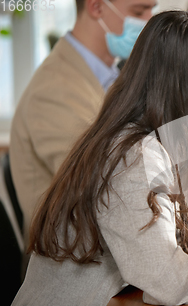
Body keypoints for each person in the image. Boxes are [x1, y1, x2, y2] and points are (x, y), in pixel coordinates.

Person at [1, 11, 188, 306]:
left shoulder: (157, 140)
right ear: (181, 89)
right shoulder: (133, 157)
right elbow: (167, 282)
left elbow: (152, 229)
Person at [10, 0, 156, 245]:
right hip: (76, 265)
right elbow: (98, 193)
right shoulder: (55, 89)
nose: (149, 21)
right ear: (97, 7)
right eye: (139, 11)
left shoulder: (109, 77)